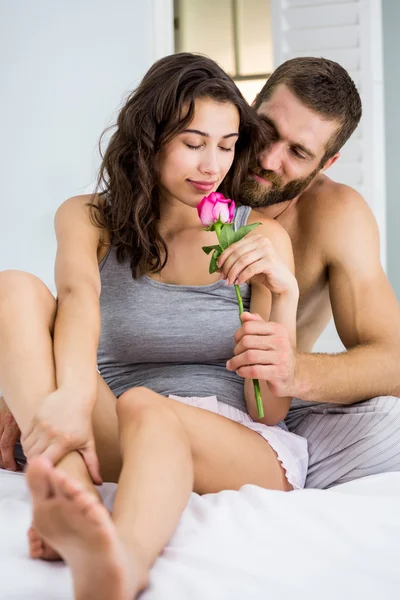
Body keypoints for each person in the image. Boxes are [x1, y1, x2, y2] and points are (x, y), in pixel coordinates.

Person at [0, 53, 307, 599]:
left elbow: (270, 408)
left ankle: (121, 564)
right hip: (117, 428)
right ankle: (77, 503)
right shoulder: (88, 216)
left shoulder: (255, 236)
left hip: (232, 444)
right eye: (193, 142)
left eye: (227, 144)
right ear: (150, 136)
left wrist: (286, 295)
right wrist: (71, 393)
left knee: (146, 404)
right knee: (11, 289)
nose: (212, 164)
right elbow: (78, 299)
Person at [234, 56, 400, 489]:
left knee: (393, 422)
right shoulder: (196, 168)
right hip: (154, 385)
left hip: (268, 410)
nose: (269, 159)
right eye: (267, 129)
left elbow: (394, 361)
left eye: (299, 152)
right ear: (252, 106)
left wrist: (294, 373)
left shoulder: (336, 214)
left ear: (327, 163)